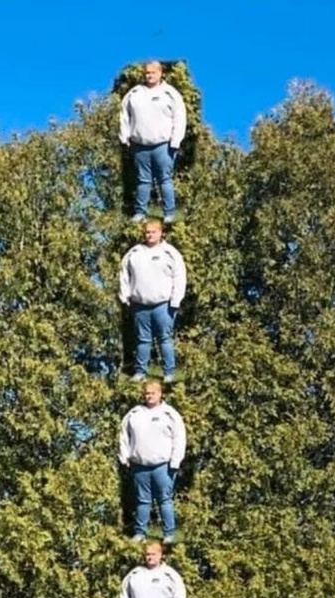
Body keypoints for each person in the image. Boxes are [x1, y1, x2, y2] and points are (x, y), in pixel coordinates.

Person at [119, 60, 187, 223]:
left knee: (165, 180)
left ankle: (169, 214)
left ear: (160, 73)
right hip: (139, 145)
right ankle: (140, 213)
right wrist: (124, 137)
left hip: (163, 146)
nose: (149, 76)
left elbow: (180, 117)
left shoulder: (170, 93)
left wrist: (175, 141)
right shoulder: (134, 93)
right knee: (143, 181)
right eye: (147, 73)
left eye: (153, 73)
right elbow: (124, 115)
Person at [118, 380, 186, 542]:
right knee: (142, 501)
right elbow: (124, 436)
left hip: (163, 467)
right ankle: (140, 533)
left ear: (160, 394)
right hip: (139, 467)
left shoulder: (169, 414)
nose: (149, 396)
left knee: (165, 501)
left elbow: (179, 438)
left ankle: (169, 534)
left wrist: (175, 462)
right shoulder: (134, 414)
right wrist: (124, 457)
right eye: (147, 393)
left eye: (152, 393)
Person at [119, 220, 187, 383]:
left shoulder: (170, 253)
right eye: (147, 232)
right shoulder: (134, 253)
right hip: (139, 305)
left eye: (153, 232)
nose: (150, 235)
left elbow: (180, 276)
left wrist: (176, 300)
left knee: (165, 339)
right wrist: (125, 296)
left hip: (164, 306)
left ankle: (169, 373)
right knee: (143, 340)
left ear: (161, 233)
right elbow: (124, 275)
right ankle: (140, 372)